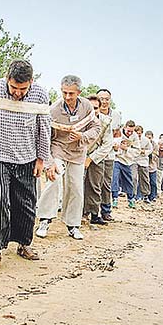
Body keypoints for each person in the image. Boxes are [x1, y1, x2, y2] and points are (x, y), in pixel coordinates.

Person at [0, 60, 51, 271]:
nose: (18, 93)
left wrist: (42, 158)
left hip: (26, 156)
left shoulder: (40, 95)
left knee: (26, 202)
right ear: (7, 79)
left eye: (23, 89)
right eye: (14, 88)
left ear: (31, 82)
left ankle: (24, 244)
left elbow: (44, 127)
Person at [36, 75, 100, 240]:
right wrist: (49, 162)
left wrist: (82, 136)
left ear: (79, 92)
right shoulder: (54, 109)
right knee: (54, 179)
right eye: (64, 92)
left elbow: (96, 128)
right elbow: (45, 137)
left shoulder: (86, 106)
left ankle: (73, 225)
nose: (67, 97)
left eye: (71, 93)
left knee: (76, 188)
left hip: (78, 152)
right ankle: (44, 219)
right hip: (58, 148)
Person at [83, 95, 113, 225]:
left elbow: (107, 144)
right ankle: (80, 213)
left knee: (95, 186)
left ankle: (94, 214)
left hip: (97, 156)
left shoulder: (106, 122)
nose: (93, 111)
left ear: (100, 109)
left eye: (95, 108)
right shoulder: (80, 118)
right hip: (78, 155)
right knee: (77, 186)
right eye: (90, 107)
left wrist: (91, 158)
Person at [96, 89, 122, 221]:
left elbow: (118, 133)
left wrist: (117, 143)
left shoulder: (116, 115)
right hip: (94, 153)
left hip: (110, 155)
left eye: (107, 99)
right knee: (93, 183)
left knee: (106, 183)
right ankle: (90, 210)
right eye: (101, 98)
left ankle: (106, 210)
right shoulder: (93, 111)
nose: (104, 102)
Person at [111, 120, 140, 208]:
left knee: (129, 180)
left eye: (132, 131)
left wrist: (126, 148)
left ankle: (131, 199)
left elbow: (137, 151)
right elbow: (111, 143)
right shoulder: (118, 133)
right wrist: (116, 148)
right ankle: (115, 198)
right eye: (128, 131)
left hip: (127, 161)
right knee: (114, 178)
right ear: (124, 128)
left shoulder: (134, 136)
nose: (130, 133)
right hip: (116, 159)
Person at [134, 125, 152, 202]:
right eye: (136, 133)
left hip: (143, 160)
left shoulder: (146, 140)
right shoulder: (132, 139)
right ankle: (133, 195)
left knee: (145, 178)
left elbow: (150, 149)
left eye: (139, 133)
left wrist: (144, 152)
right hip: (134, 160)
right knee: (133, 177)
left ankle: (145, 195)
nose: (138, 135)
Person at [145, 131, 160, 201]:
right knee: (144, 182)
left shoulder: (155, 145)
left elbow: (157, 154)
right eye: (147, 137)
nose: (148, 139)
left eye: (150, 138)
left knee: (153, 182)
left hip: (153, 166)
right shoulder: (143, 143)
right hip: (144, 165)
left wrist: (150, 153)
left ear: (152, 137)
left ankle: (153, 196)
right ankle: (145, 196)